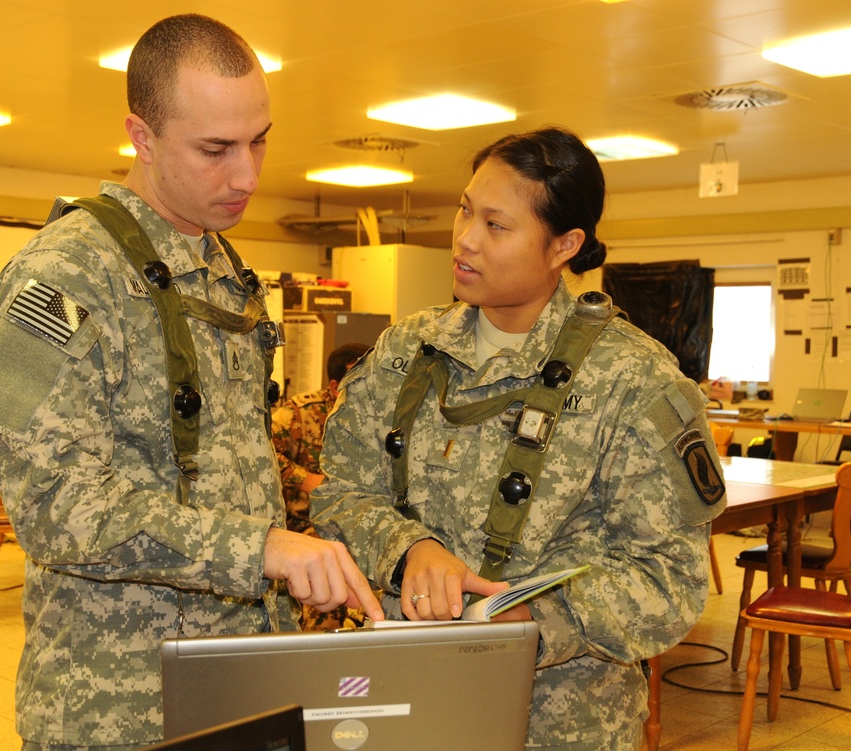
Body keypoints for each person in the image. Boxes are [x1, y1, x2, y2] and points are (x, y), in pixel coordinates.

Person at [0, 14, 381, 751]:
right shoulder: (58, 277)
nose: (248, 174)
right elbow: (49, 504)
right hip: (119, 709)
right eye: (215, 149)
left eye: (259, 140)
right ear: (142, 136)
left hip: (241, 682)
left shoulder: (223, 269)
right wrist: (260, 548)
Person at [311, 127, 726, 751]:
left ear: (565, 244)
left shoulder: (634, 381)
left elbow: (669, 580)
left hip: (558, 723)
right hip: (403, 702)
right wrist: (409, 549)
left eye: (497, 226)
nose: (465, 239)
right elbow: (340, 494)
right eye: (465, 210)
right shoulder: (405, 352)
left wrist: (533, 619)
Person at [271, 342, 370, 629]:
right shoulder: (301, 412)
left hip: (357, 522)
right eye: (355, 380)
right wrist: (305, 480)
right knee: (325, 577)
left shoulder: (379, 417)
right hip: (305, 525)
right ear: (335, 385)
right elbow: (263, 453)